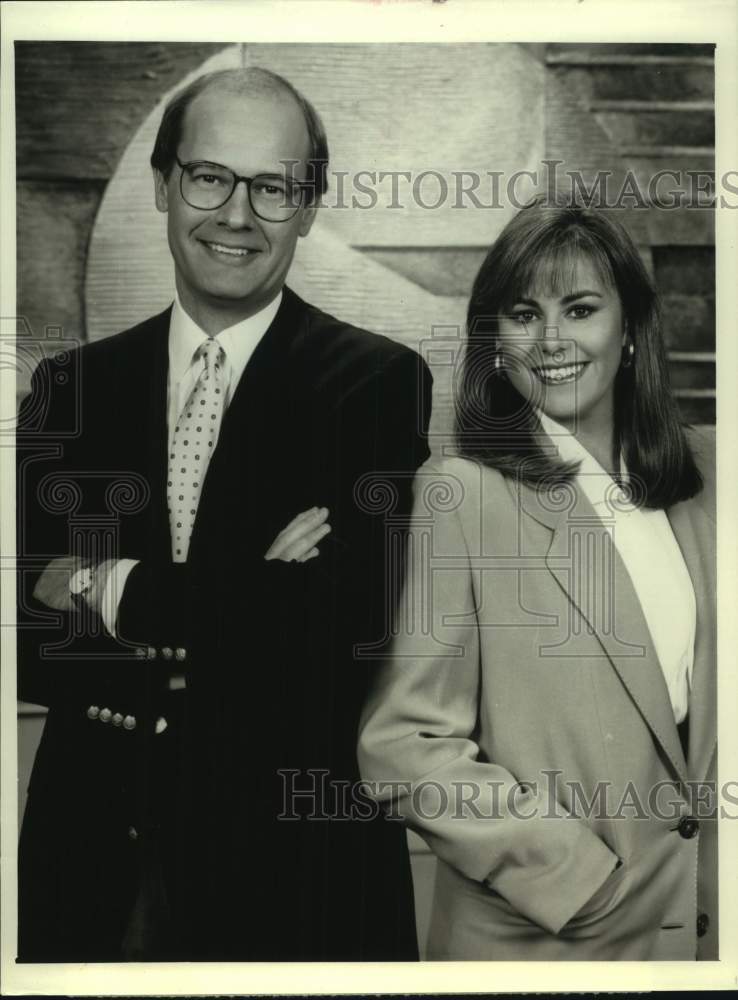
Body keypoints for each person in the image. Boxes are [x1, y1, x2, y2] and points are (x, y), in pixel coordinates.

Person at [16, 67, 432, 961]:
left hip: (297, 872)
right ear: (164, 184)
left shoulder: (374, 386)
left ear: (310, 208)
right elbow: (28, 641)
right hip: (93, 868)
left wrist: (111, 585)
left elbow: (337, 634)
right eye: (209, 177)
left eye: (273, 187)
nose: (236, 215)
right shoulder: (69, 391)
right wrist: (256, 587)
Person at [358, 197, 716, 961]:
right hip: (554, 937)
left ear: (630, 331)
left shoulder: (713, 471)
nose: (551, 341)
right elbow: (405, 744)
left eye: (581, 309)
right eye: (524, 314)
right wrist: (574, 880)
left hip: (707, 930)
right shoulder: (462, 494)